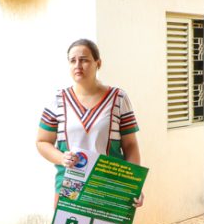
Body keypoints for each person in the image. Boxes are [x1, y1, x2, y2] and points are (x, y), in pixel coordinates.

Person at [36, 38, 143, 206]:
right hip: (69, 187)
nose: (78, 65)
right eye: (73, 60)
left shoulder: (118, 98)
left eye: (84, 60)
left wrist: (133, 185)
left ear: (98, 63)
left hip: (109, 186)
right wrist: (61, 157)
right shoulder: (58, 100)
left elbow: (130, 145)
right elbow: (42, 142)